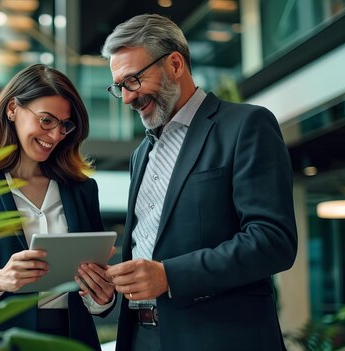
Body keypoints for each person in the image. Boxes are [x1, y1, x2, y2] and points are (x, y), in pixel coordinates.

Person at [101, 14, 298, 351]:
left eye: (133, 80)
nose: (128, 97)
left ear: (175, 64)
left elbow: (273, 240)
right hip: (139, 337)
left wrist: (170, 276)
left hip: (218, 338)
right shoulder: (139, 155)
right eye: (119, 87)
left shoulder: (245, 125)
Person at [0, 64, 116, 350]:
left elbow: (97, 300)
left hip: (73, 341)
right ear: (12, 109)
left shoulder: (82, 189)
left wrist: (102, 294)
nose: (55, 135)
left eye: (65, 125)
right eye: (47, 121)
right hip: (0, 342)